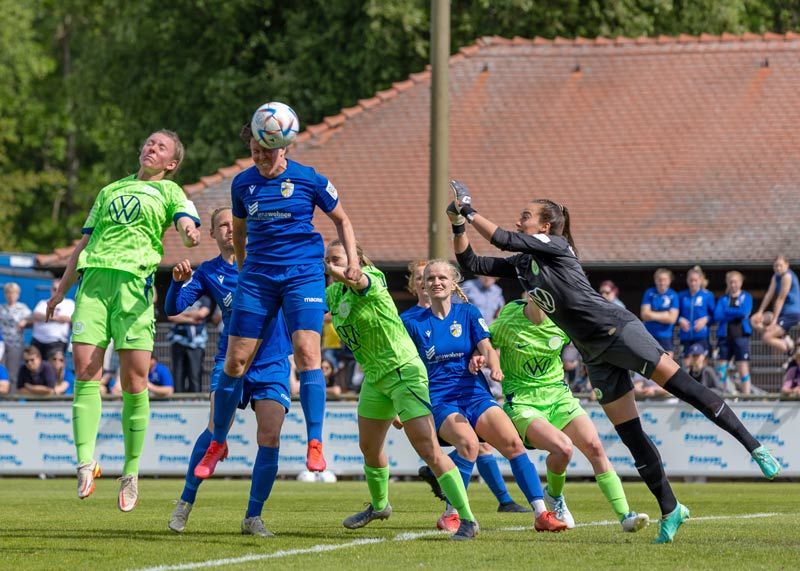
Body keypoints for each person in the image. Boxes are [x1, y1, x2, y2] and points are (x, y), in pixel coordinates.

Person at [447, 180, 781, 543]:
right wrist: (458, 224)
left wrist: (469, 207)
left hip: (620, 332)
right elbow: (471, 262)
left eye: (526, 216)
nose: (519, 219)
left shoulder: (557, 246)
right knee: (631, 435)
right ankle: (672, 509)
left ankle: (755, 446)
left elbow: (501, 238)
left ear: (544, 227)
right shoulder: (525, 264)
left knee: (686, 387)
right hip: (594, 355)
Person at [45, 130, 200, 511]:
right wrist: (61, 289)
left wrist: (190, 232)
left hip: (133, 288)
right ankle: (85, 463)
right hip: (94, 283)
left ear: (171, 163)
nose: (151, 147)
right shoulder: (109, 190)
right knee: (84, 370)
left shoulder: (170, 192)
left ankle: (130, 473)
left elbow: (184, 222)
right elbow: (83, 244)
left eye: (160, 147)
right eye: (148, 142)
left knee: (134, 380)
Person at [197, 120, 361, 477]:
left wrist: (354, 263)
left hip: (302, 275)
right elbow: (239, 233)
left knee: (307, 354)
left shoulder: (310, 178)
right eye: (254, 152)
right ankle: (217, 441)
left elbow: (342, 220)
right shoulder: (242, 183)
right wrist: (245, 274)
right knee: (235, 362)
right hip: (257, 278)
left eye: (266, 152)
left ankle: (315, 442)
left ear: (283, 146)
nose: (260, 158)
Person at [325, 241, 479, 540]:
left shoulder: (373, 277)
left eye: (338, 260)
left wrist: (347, 272)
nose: (331, 266)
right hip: (374, 376)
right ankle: (380, 506)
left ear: (355, 260)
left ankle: (467, 519)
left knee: (429, 451)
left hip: (403, 372)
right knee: (369, 448)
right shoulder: (332, 293)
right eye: (328, 260)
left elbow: (359, 280)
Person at [404, 260, 565, 533]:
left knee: (513, 444)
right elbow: (404, 366)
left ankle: (541, 513)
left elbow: (486, 347)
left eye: (442, 277)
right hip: (442, 399)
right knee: (468, 444)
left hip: (475, 393)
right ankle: (452, 513)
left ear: (454, 282)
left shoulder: (467, 312)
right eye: (430, 278)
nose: (436, 282)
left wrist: (492, 364)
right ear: (423, 286)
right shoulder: (410, 321)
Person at [167, 207, 293, 537]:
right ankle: (185, 502)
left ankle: (253, 517)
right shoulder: (209, 271)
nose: (229, 230)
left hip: (272, 362)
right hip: (231, 359)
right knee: (214, 433)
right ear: (212, 234)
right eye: (221, 225)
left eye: (233, 224)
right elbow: (173, 308)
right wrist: (176, 284)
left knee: (269, 436)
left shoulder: (270, 263)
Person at [490, 296, 649, 532]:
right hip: (523, 402)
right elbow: (486, 342)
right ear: (530, 291)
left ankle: (625, 515)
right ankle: (555, 497)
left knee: (595, 447)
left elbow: (594, 343)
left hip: (559, 396)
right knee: (563, 448)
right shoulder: (509, 316)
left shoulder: (563, 318)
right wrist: (490, 362)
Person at [751, 255, 800, 355]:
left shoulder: (787, 276)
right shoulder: (776, 276)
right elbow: (769, 294)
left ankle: (791, 350)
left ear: (787, 265)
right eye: (776, 266)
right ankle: (783, 337)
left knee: (766, 337)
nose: (778, 268)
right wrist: (760, 311)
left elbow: (780, 299)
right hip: (781, 313)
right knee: (754, 320)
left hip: (791, 314)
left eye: (780, 266)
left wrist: (773, 322)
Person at [714, 271, 753, 394]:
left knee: (743, 368)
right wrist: (734, 312)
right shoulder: (723, 299)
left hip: (741, 336)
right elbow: (717, 314)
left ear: (740, 282)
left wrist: (727, 312)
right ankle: (724, 395)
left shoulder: (746, 296)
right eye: (731, 282)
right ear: (727, 283)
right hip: (724, 337)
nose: (733, 284)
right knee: (722, 369)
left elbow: (744, 312)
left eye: (735, 281)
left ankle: (746, 397)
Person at [167, 295, 212, 393]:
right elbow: (171, 316)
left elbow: (202, 314)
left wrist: (182, 314)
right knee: (178, 374)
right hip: (178, 340)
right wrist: (192, 319)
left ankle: (196, 402)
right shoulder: (178, 297)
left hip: (197, 343)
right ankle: (178, 401)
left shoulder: (204, 299)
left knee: (194, 374)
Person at [677, 266, 715, 363]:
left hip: (701, 336)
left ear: (700, 280)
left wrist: (706, 319)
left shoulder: (707, 295)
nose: (693, 283)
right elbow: (675, 314)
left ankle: (701, 377)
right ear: (687, 280)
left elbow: (714, 315)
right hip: (685, 336)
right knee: (687, 365)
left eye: (695, 280)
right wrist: (680, 320)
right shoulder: (681, 295)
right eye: (691, 280)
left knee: (698, 363)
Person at [640, 269, 679, 358]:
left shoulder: (673, 295)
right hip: (649, 335)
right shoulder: (649, 293)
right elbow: (644, 315)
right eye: (659, 280)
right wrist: (665, 314)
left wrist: (652, 314)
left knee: (667, 366)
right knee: (648, 363)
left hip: (666, 336)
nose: (662, 282)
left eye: (665, 280)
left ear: (669, 281)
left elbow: (672, 318)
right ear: (655, 280)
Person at [32, 279, 75, 359]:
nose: (56, 291)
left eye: (58, 289)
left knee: (54, 368)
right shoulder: (43, 302)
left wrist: (48, 316)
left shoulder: (69, 303)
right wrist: (56, 318)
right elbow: (36, 315)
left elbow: (68, 319)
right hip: (37, 340)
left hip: (56, 342)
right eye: (54, 289)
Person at [0, 282, 31, 388]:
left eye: (13, 293)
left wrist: (25, 321)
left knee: (13, 372)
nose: (11, 295)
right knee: (2, 370)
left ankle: (12, 400)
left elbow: (31, 318)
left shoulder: (22, 308)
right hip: (2, 345)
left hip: (16, 344)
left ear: (18, 294)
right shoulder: (1, 308)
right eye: (8, 292)